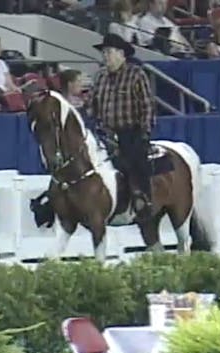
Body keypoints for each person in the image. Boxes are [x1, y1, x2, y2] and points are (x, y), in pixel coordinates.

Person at [90, 33, 155, 220]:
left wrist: (144, 131)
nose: (105, 57)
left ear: (121, 54)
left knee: (135, 159)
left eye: (109, 52)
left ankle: (141, 197)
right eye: (104, 53)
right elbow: (92, 105)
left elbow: (147, 105)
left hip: (130, 131)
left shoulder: (136, 74)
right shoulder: (100, 77)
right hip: (105, 132)